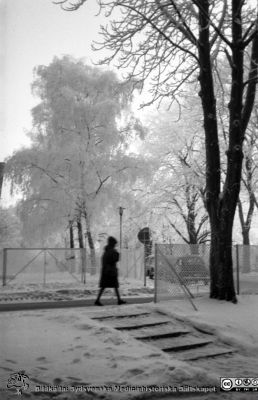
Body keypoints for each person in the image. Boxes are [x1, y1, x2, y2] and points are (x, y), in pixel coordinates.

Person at [95, 236, 126, 306]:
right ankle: (118, 300)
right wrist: (117, 254)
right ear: (112, 244)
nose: (115, 245)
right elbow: (115, 259)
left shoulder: (106, 251)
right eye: (114, 244)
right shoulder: (111, 251)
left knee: (108, 286)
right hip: (110, 272)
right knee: (113, 285)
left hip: (107, 271)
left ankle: (118, 300)